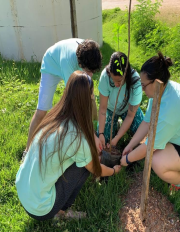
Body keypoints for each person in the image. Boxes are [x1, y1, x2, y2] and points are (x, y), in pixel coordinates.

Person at [16, 71, 121, 221]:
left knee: (82, 158)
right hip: (40, 209)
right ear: (87, 99)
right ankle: (61, 212)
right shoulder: (77, 138)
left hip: (24, 192)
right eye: (92, 95)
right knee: (84, 166)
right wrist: (113, 171)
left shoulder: (53, 118)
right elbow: (96, 169)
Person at [120, 52, 180, 191]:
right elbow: (147, 123)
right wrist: (131, 145)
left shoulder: (172, 107)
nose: (142, 89)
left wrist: (127, 159)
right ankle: (179, 164)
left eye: (144, 85)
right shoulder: (159, 92)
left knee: (156, 161)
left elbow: (150, 146)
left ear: (156, 81)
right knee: (157, 151)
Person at [24, 38, 103, 157]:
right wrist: (91, 135)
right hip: (51, 66)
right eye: (88, 71)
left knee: (90, 96)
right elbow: (75, 100)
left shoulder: (90, 52)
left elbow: (88, 97)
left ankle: (91, 134)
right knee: (41, 111)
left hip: (67, 61)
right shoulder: (69, 63)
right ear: (80, 64)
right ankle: (27, 150)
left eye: (93, 71)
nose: (91, 75)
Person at [97, 52, 144, 148]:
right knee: (103, 140)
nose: (116, 85)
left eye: (119, 81)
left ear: (126, 75)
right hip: (110, 109)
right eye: (113, 80)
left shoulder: (136, 82)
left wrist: (117, 138)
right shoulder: (105, 77)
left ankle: (120, 131)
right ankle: (115, 125)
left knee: (142, 134)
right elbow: (102, 109)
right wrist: (101, 133)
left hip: (128, 110)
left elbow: (130, 116)